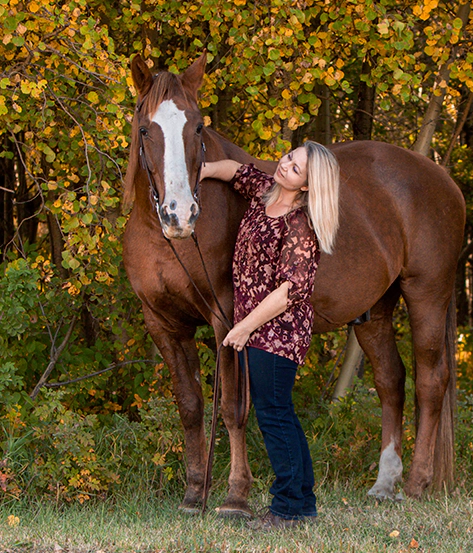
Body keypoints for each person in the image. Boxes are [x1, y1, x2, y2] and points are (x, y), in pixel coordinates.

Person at [200, 141, 341, 530]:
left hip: (278, 331)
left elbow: (291, 289)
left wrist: (244, 326)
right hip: (258, 328)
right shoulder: (265, 191)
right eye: (289, 157)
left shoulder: (299, 222)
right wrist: (202, 170)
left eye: (296, 169)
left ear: (310, 186)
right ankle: (301, 500)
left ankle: (288, 508)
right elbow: (235, 170)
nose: (285, 165)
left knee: (274, 415)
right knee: (281, 415)